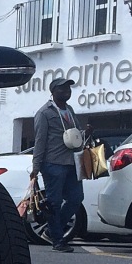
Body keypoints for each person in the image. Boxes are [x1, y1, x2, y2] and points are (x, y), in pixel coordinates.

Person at [30, 77, 85, 252]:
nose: (67, 92)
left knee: (76, 198)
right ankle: (58, 241)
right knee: (54, 202)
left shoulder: (69, 110)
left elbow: (74, 135)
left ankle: (51, 230)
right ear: (53, 92)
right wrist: (36, 166)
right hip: (53, 163)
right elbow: (40, 141)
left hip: (72, 162)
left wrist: (86, 133)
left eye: (68, 89)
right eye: (62, 89)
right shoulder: (44, 113)